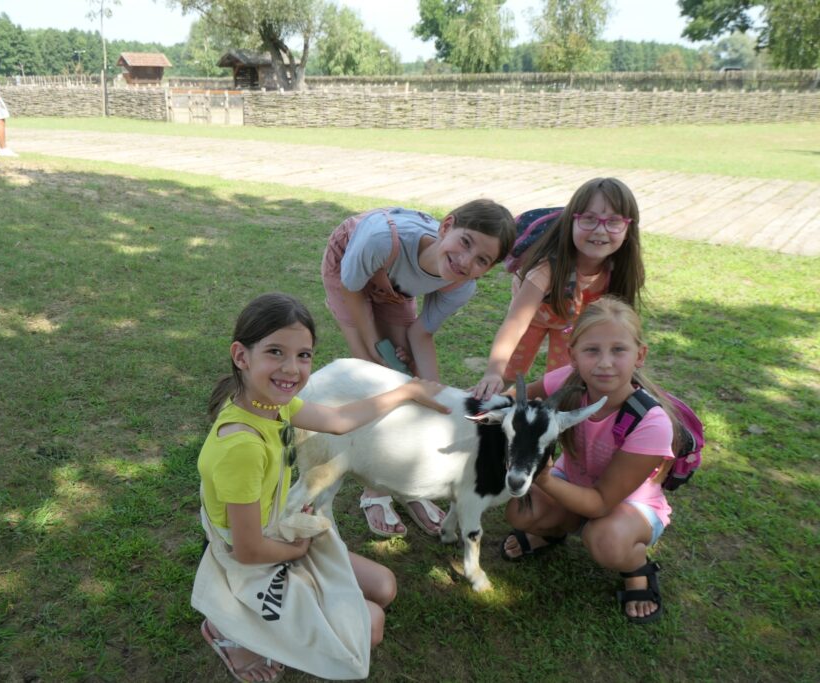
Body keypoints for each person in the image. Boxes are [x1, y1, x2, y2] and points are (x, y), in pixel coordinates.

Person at [196, 293, 450, 682]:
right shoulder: (242, 446)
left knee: (384, 587)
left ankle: (284, 613)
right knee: (373, 625)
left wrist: (406, 392)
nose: (292, 368)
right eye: (276, 352)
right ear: (241, 356)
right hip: (252, 556)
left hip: (276, 532)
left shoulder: (271, 404)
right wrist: (296, 550)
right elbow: (247, 550)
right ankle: (230, 632)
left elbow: (338, 420)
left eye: (304, 356)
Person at [322, 200, 515, 538]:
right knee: (375, 374)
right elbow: (354, 291)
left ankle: (409, 486)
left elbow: (420, 334)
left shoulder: (461, 284)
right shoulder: (381, 240)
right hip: (349, 269)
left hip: (396, 286)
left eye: (482, 260)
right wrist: (375, 349)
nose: (466, 261)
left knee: (410, 386)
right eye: (465, 242)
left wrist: (437, 399)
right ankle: (376, 487)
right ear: (446, 226)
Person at [499, 295, 677, 625]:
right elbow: (513, 400)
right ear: (574, 356)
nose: (605, 362)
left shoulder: (652, 422)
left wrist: (542, 476)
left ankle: (636, 566)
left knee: (605, 540)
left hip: (629, 506)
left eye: (618, 350)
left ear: (640, 355)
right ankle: (554, 532)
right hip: (574, 484)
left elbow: (598, 504)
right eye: (592, 350)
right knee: (520, 511)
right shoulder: (567, 381)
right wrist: (483, 409)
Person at [472, 177, 646, 401]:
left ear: (629, 227)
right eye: (589, 219)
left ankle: (551, 421)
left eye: (613, 221)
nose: (600, 231)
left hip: (570, 324)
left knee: (563, 380)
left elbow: (621, 327)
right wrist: (492, 372)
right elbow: (515, 323)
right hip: (533, 317)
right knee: (509, 371)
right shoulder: (546, 268)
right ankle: (492, 403)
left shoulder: (623, 270)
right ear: (571, 221)